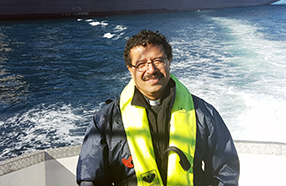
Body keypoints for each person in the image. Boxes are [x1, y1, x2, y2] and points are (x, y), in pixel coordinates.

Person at [77, 29, 239, 186]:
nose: (151, 70)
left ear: (170, 60)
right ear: (130, 69)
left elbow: (226, 170)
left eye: (159, 61)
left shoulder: (203, 113)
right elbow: (91, 179)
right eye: (141, 64)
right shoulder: (106, 120)